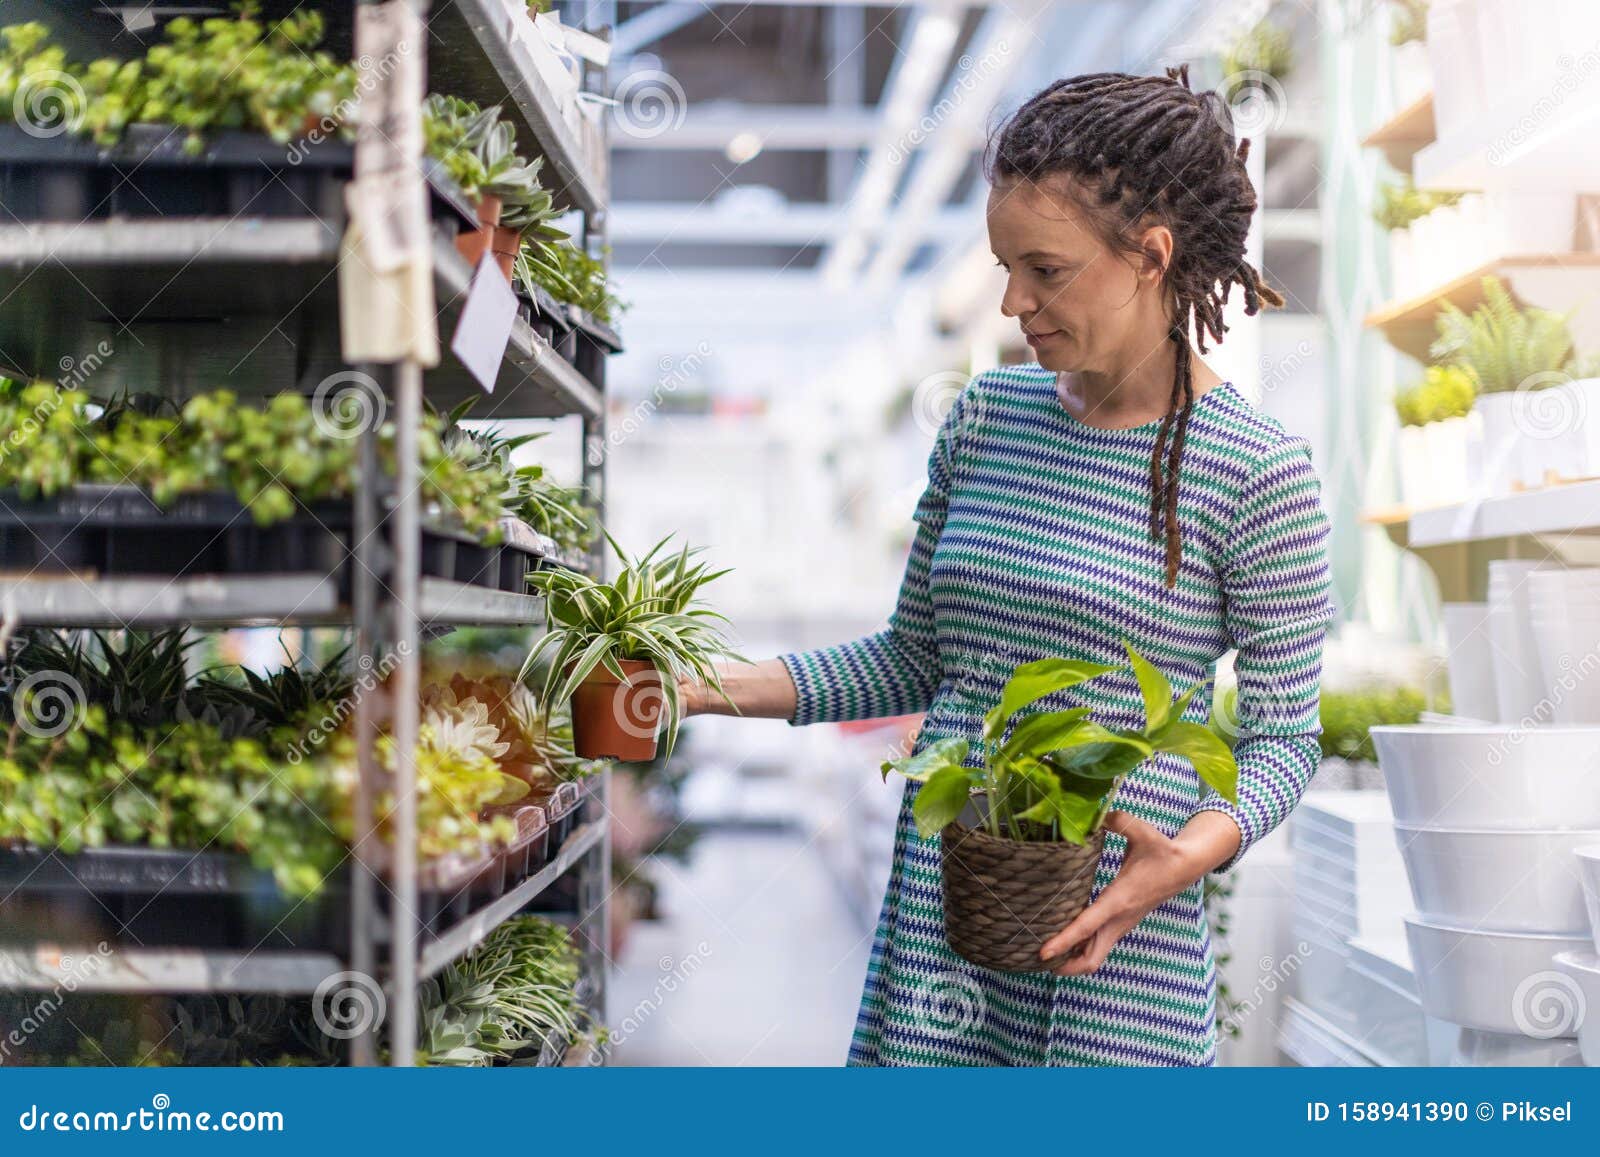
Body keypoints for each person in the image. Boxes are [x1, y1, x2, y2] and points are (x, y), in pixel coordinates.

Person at [677, 66, 1334, 1066]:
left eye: (1045, 268)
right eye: (1003, 265)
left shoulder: (1256, 469)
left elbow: (1284, 737)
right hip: (951, 914)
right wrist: (691, 689)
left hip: (1116, 931)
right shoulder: (985, 421)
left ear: (1150, 256)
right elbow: (911, 658)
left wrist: (1185, 855)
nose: (1012, 301)